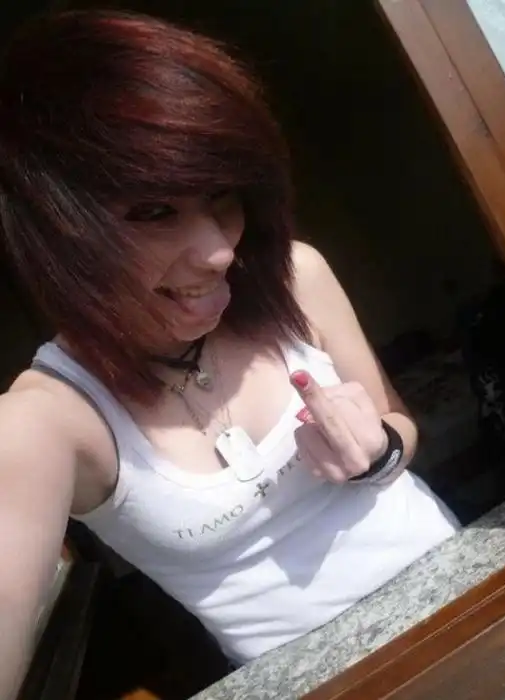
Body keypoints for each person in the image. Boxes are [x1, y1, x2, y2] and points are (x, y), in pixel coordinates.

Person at [0, 9, 459, 698]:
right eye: (153, 212)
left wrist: (381, 449)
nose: (218, 251)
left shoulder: (297, 276)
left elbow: (400, 422)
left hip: (472, 597)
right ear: (55, 235)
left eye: (221, 198)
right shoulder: (50, 419)